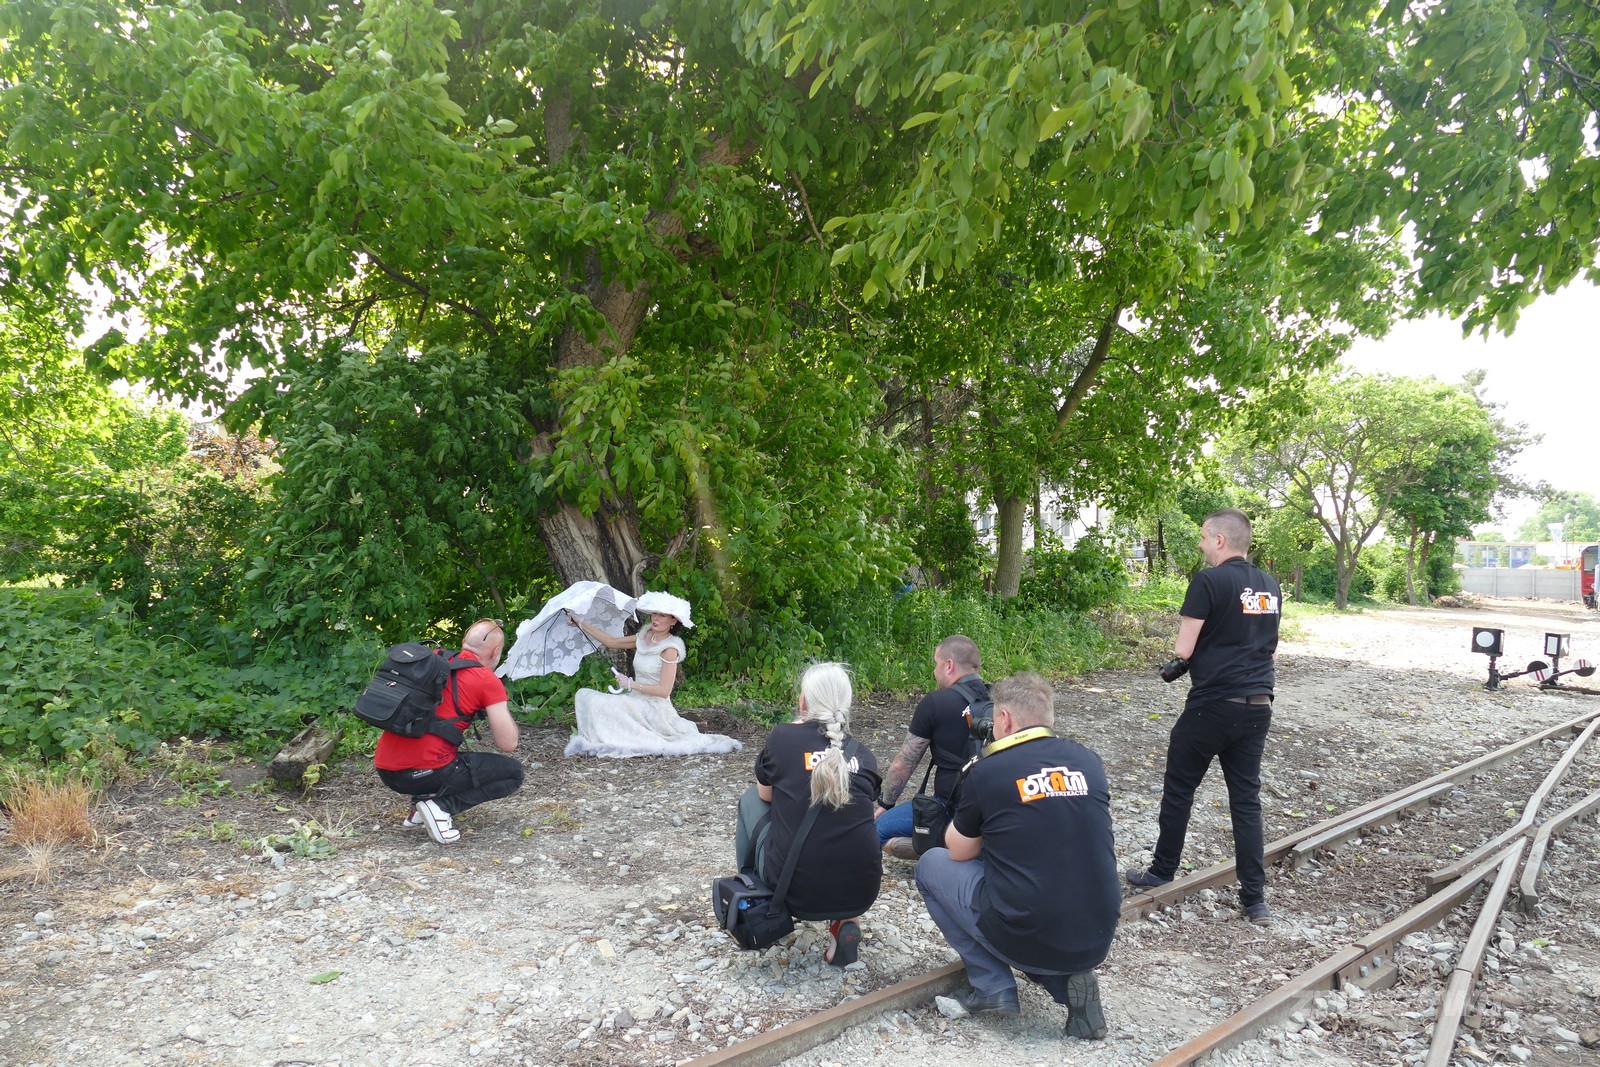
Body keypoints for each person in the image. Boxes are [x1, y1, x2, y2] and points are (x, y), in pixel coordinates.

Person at [915, 672, 1118, 1039]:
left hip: (1027, 925)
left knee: (931, 865)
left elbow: (959, 851)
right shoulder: (1089, 761)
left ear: (1004, 719)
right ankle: (1066, 979)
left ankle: (993, 986)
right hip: (1099, 927)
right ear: (1049, 716)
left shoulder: (990, 769)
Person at [1125, 508, 1282, 925]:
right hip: (1258, 704)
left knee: (1179, 788)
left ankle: (1161, 870)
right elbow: (1271, 647)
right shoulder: (1269, 585)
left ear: (1219, 540)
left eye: (1202, 536)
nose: (1199, 543)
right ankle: (1254, 900)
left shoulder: (1208, 581)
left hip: (1212, 705)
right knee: (1246, 802)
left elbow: (1183, 649)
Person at [734, 662, 883, 966]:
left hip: (795, 893)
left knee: (751, 800)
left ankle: (757, 898)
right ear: (847, 704)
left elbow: (765, 796)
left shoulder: (782, 738)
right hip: (862, 890)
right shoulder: (864, 755)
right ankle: (845, 921)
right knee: (845, 824)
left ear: (803, 702)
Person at [374, 619, 525, 845]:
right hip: (426, 772)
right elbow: (508, 743)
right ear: (495, 653)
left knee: (437, 746)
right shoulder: (485, 680)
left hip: (385, 769)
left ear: (464, 642)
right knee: (512, 773)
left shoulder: (433, 661)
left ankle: (418, 809)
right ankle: (441, 807)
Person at [564, 591, 740, 758]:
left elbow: (664, 691)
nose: (655, 618)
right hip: (635, 699)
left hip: (654, 706)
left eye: (662, 615)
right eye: (654, 613)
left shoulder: (670, 648)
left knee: (599, 701)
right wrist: (580, 623)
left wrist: (631, 684)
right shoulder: (645, 635)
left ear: (673, 621)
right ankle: (599, 737)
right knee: (584, 695)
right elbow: (612, 641)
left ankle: (609, 737)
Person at [873, 635, 988, 860]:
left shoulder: (936, 702)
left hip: (950, 810)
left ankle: (949, 849)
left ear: (949, 665)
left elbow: (903, 764)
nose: (934, 672)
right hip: (990, 812)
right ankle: (974, 846)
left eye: (936, 664)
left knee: (878, 831)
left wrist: (885, 804)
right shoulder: (999, 701)